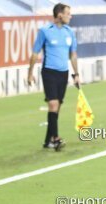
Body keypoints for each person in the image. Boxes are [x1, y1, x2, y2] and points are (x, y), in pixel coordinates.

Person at [28, 2, 79, 151]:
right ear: (59, 14)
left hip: (63, 73)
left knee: (57, 108)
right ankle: (55, 139)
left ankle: (47, 141)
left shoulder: (69, 32)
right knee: (53, 104)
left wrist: (76, 74)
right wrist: (30, 73)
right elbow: (35, 53)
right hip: (49, 71)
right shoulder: (45, 31)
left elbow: (73, 55)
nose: (70, 16)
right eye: (68, 13)